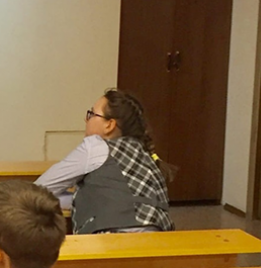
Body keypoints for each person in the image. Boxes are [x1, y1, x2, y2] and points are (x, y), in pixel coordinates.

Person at [35, 88, 175, 234]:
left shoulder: (96, 147)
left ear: (109, 125)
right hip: (158, 239)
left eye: (92, 114)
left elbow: (40, 189)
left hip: (111, 238)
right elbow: (118, 199)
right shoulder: (147, 155)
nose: (86, 120)